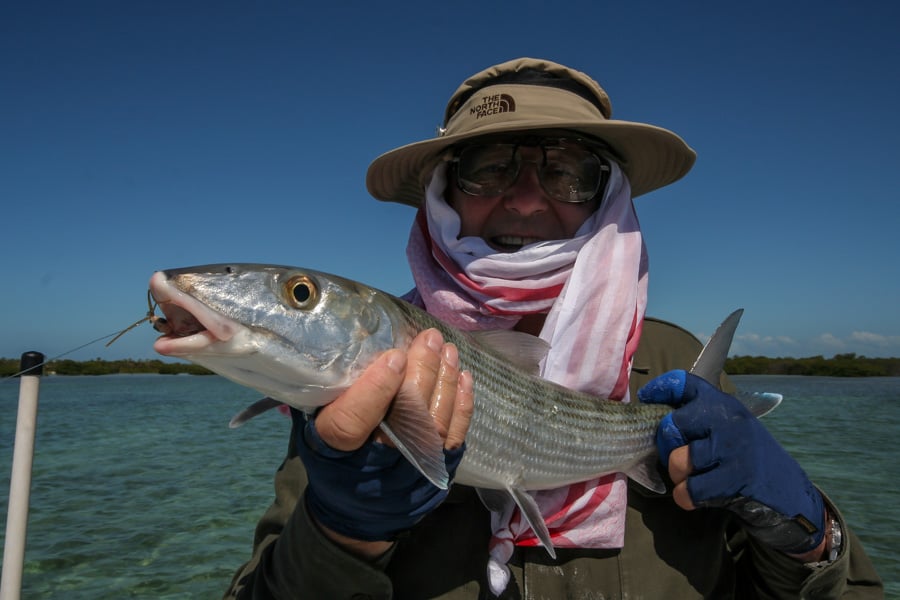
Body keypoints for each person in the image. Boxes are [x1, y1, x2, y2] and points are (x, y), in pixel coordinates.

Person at [224, 58, 883, 599]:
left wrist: (806, 532)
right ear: (443, 193)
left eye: (568, 172)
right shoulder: (361, 369)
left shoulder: (673, 356)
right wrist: (342, 532)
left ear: (608, 196)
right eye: (489, 166)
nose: (527, 197)